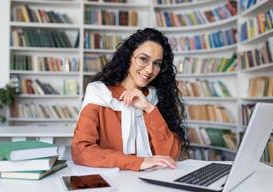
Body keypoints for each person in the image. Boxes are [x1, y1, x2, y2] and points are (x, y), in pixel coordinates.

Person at [71, 28, 187, 171]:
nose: (150, 70)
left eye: (157, 63)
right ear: (128, 57)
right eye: (143, 59)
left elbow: (170, 156)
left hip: (152, 183)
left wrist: (149, 108)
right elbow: (81, 151)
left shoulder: (157, 98)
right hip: (111, 183)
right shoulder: (99, 93)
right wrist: (138, 162)